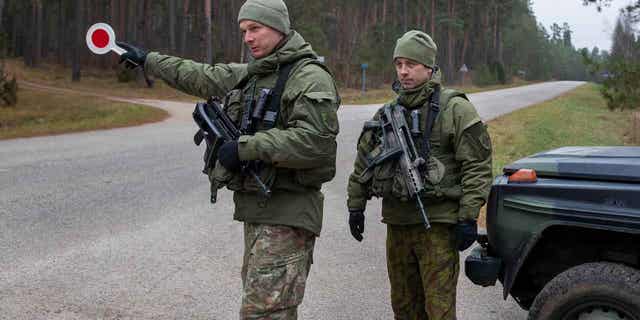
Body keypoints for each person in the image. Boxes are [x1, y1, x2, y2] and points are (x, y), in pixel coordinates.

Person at [117, 0, 340, 318]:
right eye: (243, 31)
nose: (248, 38)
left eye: (255, 29)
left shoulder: (308, 77)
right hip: (259, 214)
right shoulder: (255, 74)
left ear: (278, 27)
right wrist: (148, 60)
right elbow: (200, 76)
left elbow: (315, 142)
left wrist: (244, 148)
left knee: (263, 314)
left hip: (287, 215)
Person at [346, 30, 492, 320]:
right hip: (397, 224)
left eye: (410, 64)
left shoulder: (455, 108)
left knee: (438, 309)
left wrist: (468, 216)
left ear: (429, 67)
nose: (403, 71)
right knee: (404, 307)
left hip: (437, 227)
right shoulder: (386, 113)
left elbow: (477, 165)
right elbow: (363, 161)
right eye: (399, 64)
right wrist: (355, 205)